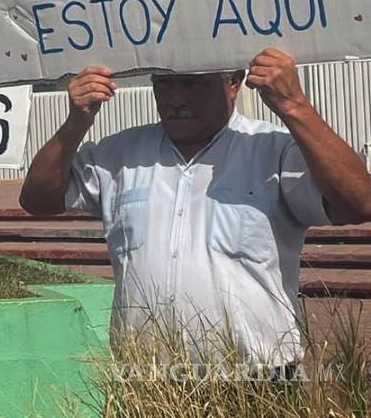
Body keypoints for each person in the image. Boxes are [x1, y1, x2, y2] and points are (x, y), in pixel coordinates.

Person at [19, 48, 371, 375]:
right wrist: (76, 122)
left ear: (233, 83)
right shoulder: (120, 156)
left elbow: (358, 203)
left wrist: (296, 106)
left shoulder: (273, 151)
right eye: (164, 84)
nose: (176, 99)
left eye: (192, 83)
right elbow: (38, 199)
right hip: (146, 380)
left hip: (258, 383)